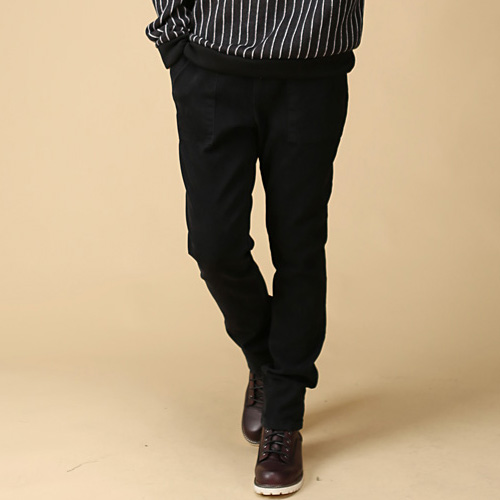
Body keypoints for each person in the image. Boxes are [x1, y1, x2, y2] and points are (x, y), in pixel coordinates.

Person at [145, 1, 365, 495]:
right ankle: (265, 360)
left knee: (299, 246)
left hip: (312, 68)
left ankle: (283, 417)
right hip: (212, 65)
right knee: (213, 245)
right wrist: (175, 43)